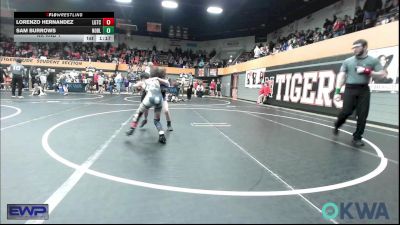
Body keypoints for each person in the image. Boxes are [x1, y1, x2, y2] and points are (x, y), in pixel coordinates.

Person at [333, 39, 386, 147]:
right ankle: (337, 124)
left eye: (358, 47)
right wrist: (337, 92)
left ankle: (357, 137)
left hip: (364, 90)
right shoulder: (348, 61)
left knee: (362, 115)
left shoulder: (373, 61)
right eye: (354, 47)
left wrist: (367, 71)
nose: (355, 49)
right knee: (346, 112)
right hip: (350, 89)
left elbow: (382, 75)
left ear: (365, 47)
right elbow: (341, 76)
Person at [126, 67, 170, 144]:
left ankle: (132, 129)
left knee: (138, 114)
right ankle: (161, 135)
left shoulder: (146, 81)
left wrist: (137, 86)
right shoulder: (160, 81)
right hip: (159, 100)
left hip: (149, 98)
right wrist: (158, 79)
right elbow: (168, 83)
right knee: (156, 120)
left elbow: (135, 86)